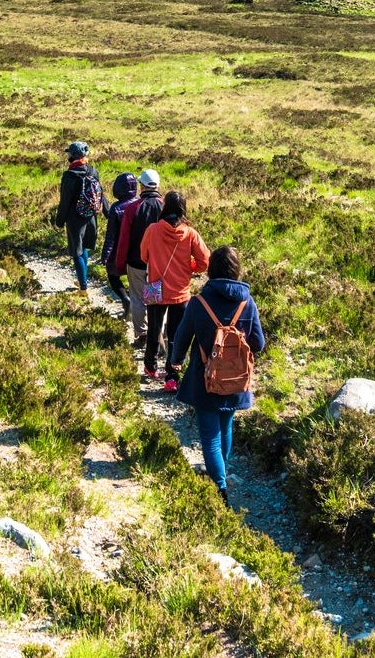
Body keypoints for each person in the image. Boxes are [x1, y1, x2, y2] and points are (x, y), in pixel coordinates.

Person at [168, 246, 266, 506]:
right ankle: (219, 472)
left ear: (211, 269)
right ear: (237, 270)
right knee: (226, 426)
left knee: (209, 435)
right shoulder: (248, 302)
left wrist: (175, 361)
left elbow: (182, 337)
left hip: (205, 379)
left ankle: (220, 490)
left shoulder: (199, 302)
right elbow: (259, 342)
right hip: (235, 380)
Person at [138, 191, 209, 391]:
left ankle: (150, 366)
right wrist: (190, 267)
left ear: (164, 207)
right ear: (183, 209)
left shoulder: (152, 230)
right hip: (180, 291)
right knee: (176, 334)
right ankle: (172, 376)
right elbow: (205, 262)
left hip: (155, 288)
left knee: (154, 328)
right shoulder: (190, 234)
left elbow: (144, 256)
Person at [112, 169, 164, 348]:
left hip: (136, 263)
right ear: (157, 185)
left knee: (137, 299)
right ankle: (157, 335)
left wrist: (120, 265)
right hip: (158, 265)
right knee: (155, 299)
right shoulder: (165, 206)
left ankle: (142, 335)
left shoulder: (132, 209)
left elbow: (123, 240)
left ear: (141, 186)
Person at [52, 141, 103, 289]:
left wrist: (59, 221)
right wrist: (107, 212)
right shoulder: (93, 171)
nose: (67, 155)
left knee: (77, 252)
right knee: (84, 248)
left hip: (75, 219)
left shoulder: (69, 176)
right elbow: (101, 194)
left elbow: (65, 202)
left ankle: (83, 287)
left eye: (69, 153)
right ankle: (83, 279)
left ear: (73, 156)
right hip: (91, 216)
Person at [100, 172, 139, 314]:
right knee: (137, 279)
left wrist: (105, 254)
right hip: (137, 249)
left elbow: (110, 236)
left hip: (118, 249)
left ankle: (125, 298)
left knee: (113, 275)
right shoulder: (140, 203)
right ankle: (139, 305)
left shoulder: (116, 208)